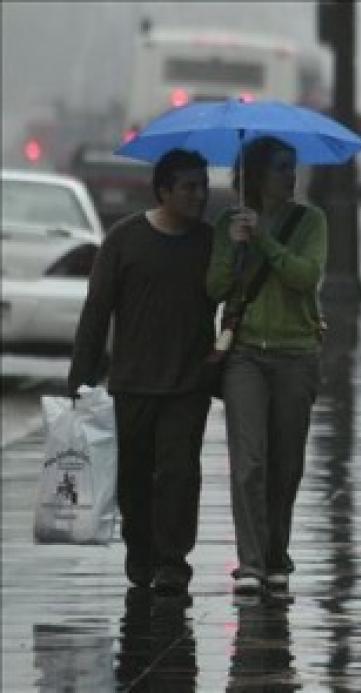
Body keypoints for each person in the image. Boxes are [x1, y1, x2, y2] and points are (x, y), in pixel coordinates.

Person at [68, 149, 215, 596]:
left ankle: (172, 560)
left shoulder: (212, 241)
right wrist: (81, 378)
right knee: (134, 475)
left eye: (203, 186)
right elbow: (97, 310)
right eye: (189, 187)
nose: (199, 195)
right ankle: (140, 546)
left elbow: (237, 295)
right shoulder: (124, 239)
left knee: (179, 473)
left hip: (188, 382)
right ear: (164, 190)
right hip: (133, 382)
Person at [206, 136, 328, 595]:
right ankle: (251, 563)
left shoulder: (310, 221)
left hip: (296, 353)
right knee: (249, 462)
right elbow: (215, 288)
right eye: (280, 167)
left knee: (286, 463)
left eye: (292, 167)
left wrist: (265, 241)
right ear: (255, 173)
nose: (290, 175)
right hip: (246, 355)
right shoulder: (229, 222)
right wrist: (236, 250)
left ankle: (277, 554)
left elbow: (304, 276)